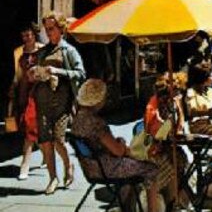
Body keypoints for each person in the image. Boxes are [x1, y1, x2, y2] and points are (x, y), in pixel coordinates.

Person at [71, 79, 160, 212]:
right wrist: (122, 143)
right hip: (106, 168)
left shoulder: (77, 121)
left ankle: (127, 207)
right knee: (151, 169)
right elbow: (118, 151)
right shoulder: (96, 123)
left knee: (132, 168)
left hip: (90, 167)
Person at [31, 12, 85, 194]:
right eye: (46, 29)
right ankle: (52, 178)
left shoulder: (68, 50)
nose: (48, 32)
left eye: (51, 28)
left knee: (58, 140)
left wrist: (58, 71)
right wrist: (35, 73)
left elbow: (80, 73)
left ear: (61, 29)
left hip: (62, 102)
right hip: (42, 101)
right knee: (45, 141)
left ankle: (68, 165)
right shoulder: (43, 51)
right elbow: (36, 73)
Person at [144, 73, 188, 208]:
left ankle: (175, 199)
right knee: (176, 160)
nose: (180, 93)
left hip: (165, 147)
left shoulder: (170, 102)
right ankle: (174, 200)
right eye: (178, 90)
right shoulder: (163, 104)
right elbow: (162, 131)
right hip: (157, 150)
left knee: (180, 158)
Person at [8, 23, 44, 180]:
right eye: (24, 36)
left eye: (29, 35)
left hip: (37, 91)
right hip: (23, 90)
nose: (27, 38)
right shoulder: (18, 52)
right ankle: (46, 153)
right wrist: (13, 87)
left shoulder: (43, 49)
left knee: (30, 124)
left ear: (34, 34)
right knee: (30, 126)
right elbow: (18, 73)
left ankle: (25, 165)